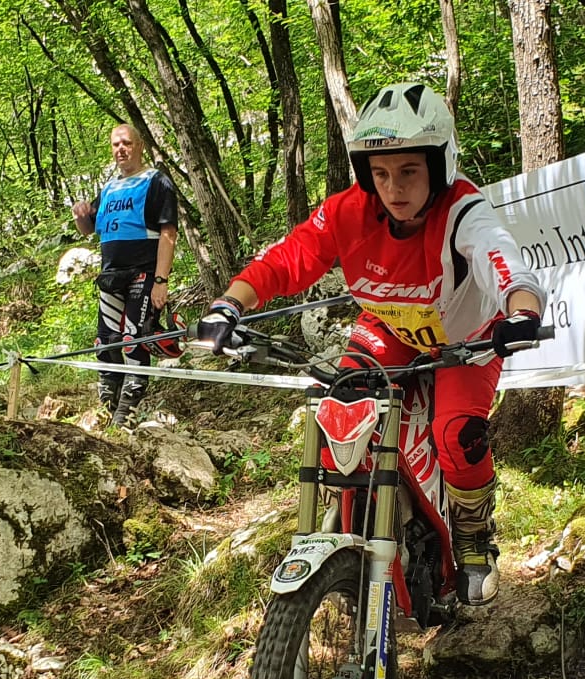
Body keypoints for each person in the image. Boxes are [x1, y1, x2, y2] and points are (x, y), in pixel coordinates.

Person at [195, 83, 545, 606]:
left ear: (440, 165)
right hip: (389, 328)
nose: (393, 188)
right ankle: (342, 529)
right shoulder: (347, 212)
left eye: (409, 171)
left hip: (466, 340)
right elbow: (288, 259)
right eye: (379, 173)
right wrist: (229, 305)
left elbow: (504, 262)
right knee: (339, 403)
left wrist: (522, 312)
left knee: (456, 433)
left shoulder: (463, 211)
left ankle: (473, 535)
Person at [72, 125, 179, 427]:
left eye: (127, 143)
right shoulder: (108, 188)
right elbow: (89, 228)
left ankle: (127, 412)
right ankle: (106, 405)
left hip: (143, 273)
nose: (121, 149)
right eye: (116, 144)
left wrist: (161, 280)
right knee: (105, 341)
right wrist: (81, 215)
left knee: (134, 339)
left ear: (139, 146)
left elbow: (168, 233)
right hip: (111, 274)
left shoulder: (157, 181)